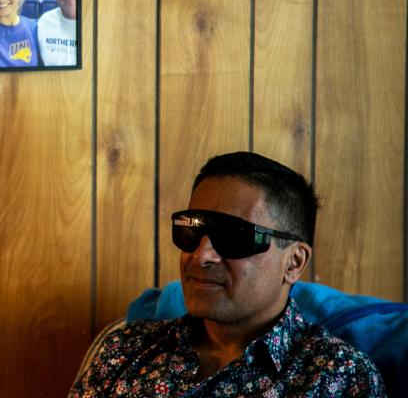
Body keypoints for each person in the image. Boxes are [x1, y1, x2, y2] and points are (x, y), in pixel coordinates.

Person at [68, 151, 386, 397]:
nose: (202, 255)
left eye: (234, 236)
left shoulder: (335, 376)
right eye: (191, 230)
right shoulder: (124, 352)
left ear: (293, 262)